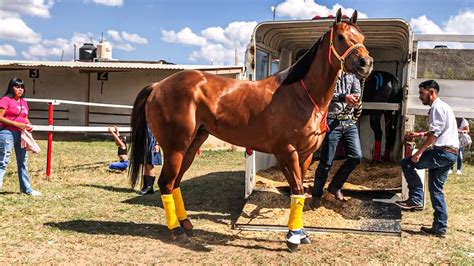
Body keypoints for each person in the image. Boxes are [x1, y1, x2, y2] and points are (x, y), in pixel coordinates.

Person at [395, 80, 458, 238]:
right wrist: (421, 135)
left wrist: (419, 153)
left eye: (422, 93)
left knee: (407, 163)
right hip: (450, 153)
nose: (420, 97)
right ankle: (439, 228)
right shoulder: (443, 107)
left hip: (442, 152)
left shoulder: (436, 108)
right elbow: (438, 130)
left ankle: (415, 198)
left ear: (431, 92)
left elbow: (435, 134)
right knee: (436, 191)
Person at [311, 72, 362, 206]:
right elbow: (323, 95)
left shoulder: (353, 76)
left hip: (348, 121)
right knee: (326, 162)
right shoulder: (328, 75)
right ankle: (316, 194)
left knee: (356, 157)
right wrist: (344, 97)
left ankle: (335, 186)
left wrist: (355, 99)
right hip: (331, 120)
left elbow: (357, 92)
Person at [0, 78, 41, 196]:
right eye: (17, 87)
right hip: (7, 133)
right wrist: (17, 124)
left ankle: (26, 189)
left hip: (22, 135)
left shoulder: (24, 102)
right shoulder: (5, 100)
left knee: (23, 161)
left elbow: (24, 116)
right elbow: (0, 117)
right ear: (11, 87)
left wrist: (29, 125)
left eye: (22, 87)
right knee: (3, 161)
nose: (20, 89)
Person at [138, 126, 162, 196]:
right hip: (145, 141)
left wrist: (157, 144)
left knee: (150, 164)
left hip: (152, 141)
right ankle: (146, 186)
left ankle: (149, 187)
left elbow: (159, 129)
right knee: (145, 164)